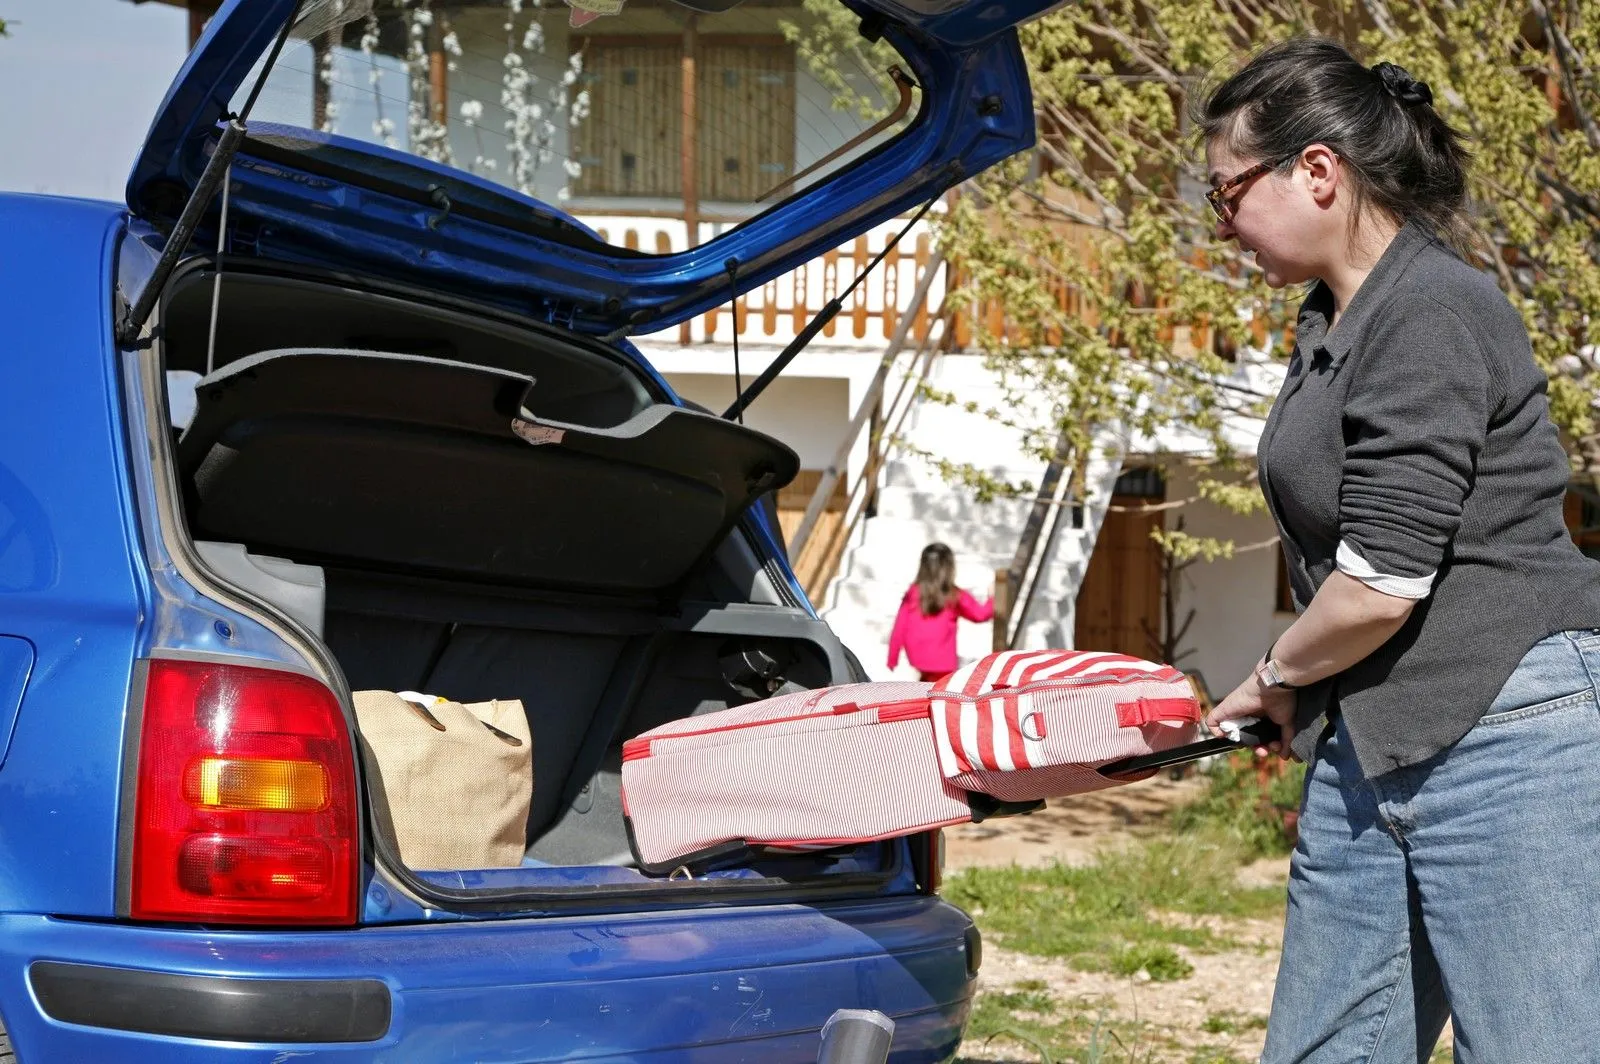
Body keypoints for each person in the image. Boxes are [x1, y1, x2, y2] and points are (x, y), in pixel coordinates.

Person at [1196, 37, 1600, 1062]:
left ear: (1317, 171)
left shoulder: (1429, 309)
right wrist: (1304, 689)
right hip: (1369, 736)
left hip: (1512, 730)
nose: (1222, 223)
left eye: (1228, 191)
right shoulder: (1333, 321)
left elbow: (1379, 582)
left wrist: (1270, 674)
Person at [887, 542, 994, 682]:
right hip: (943, 663)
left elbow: (899, 627)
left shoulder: (913, 592)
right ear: (949, 568)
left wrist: (892, 657)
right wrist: (993, 597)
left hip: (918, 658)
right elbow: (980, 614)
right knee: (941, 689)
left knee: (926, 685)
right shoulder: (954, 595)